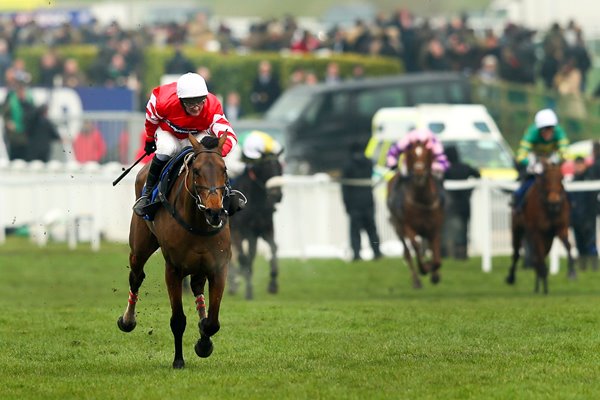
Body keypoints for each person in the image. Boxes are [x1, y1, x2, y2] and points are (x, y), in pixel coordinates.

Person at [133, 72, 243, 217]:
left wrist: (215, 153)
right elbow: (151, 120)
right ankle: (147, 195)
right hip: (169, 134)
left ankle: (228, 193)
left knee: (211, 157)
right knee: (166, 149)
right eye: (191, 103)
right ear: (180, 100)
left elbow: (229, 136)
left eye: (200, 101)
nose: (197, 107)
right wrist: (149, 139)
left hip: (196, 135)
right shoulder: (162, 101)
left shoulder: (212, 106)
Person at [513, 108, 569, 212]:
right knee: (523, 189)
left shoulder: (559, 132)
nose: (548, 132)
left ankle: (571, 208)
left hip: (551, 159)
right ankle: (518, 207)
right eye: (545, 129)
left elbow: (565, 152)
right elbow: (520, 156)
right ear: (539, 129)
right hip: (535, 159)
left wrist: (558, 159)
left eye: (550, 128)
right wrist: (531, 164)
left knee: (562, 188)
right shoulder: (531, 133)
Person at [385, 127, 449, 208]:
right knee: (399, 178)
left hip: (428, 168)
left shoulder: (433, 141)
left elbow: (442, 161)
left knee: (438, 180)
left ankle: (443, 203)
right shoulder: (407, 140)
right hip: (409, 167)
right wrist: (392, 164)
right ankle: (393, 201)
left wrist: (432, 167)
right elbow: (392, 153)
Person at [341, 141, 382, 261]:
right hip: (368, 201)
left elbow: (345, 188)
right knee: (372, 230)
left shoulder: (348, 166)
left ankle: (357, 254)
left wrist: (346, 204)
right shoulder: (369, 163)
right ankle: (377, 252)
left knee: (355, 231)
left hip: (354, 203)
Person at [442, 146, 480, 259]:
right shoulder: (465, 167)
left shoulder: (447, 169)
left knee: (451, 229)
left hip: (451, 205)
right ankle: (463, 254)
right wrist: (470, 189)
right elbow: (478, 175)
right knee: (464, 228)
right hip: (465, 203)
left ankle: (451, 253)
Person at [569, 156, 598, 271]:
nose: (578, 167)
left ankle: (594, 267)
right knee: (579, 243)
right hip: (576, 218)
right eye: (576, 165)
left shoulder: (590, 179)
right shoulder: (573, 180)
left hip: (588, 217)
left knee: (590, 242)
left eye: (580, 165)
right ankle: (583, 267)